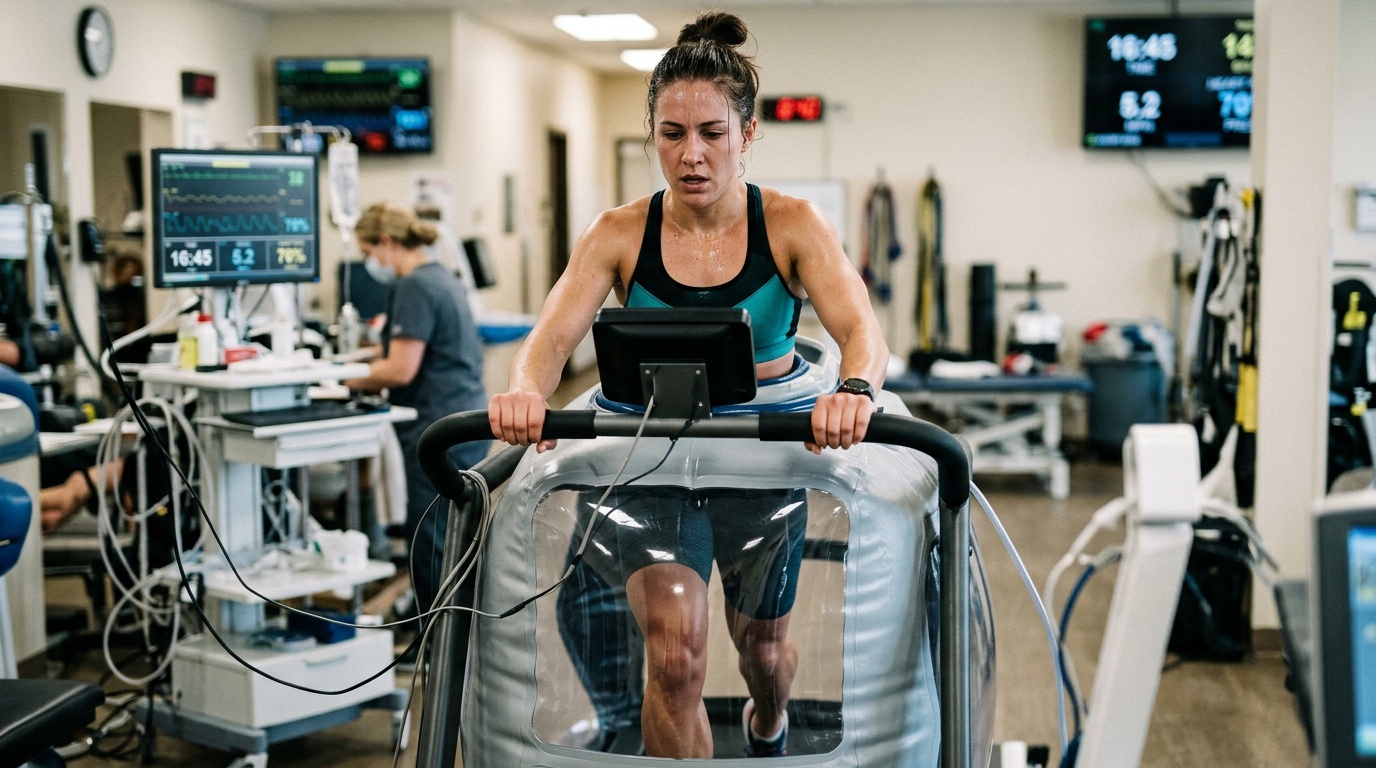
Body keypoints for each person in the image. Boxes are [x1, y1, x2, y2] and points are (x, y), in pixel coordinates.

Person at [488, 11, 887, 759]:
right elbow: (549, 339)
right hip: (653, 460)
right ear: (653, 136)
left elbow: (863, 333)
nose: (692, 154)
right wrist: (527, 392)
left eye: (712, 132)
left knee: (762, 654)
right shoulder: (618, 231)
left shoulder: (794, 225)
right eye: (672, 134)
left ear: (748, 133)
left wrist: (853, 391)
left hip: (762, 463)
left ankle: (769, 718)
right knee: (675, 656)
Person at [343, 202, 488, 614]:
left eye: (368, 253)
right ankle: (450, 633)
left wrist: (337, 378)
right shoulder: (439, 276)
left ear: (386, 242)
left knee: (431, 540)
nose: (370, 263)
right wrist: (367, 356)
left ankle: (435, 645)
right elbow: (410, 348)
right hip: (460, 419)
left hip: (435, 426)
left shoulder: (415, 286)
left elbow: (400, 370)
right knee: (450, 536)